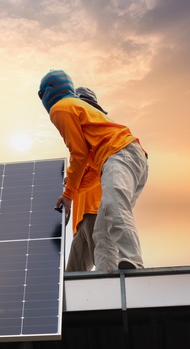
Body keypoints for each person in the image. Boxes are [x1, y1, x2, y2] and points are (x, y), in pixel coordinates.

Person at [39, 70, 148, 272]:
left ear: (45, 94)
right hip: (125, 157)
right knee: (102, 231)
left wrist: (68, 194)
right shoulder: (79, 114)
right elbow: (91, 172)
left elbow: (78, 154)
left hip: (119, 153)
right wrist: (70, 194)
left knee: (114, 207)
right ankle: (108, 280)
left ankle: (134, 263)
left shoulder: (60, 108)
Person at [64, 86, 105, 272]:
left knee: (106, 265)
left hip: (95, 210)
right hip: (80, 220)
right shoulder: (79, 139)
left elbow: (97, 170)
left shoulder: (97, 134)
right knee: (73, 279)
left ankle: (116, 300)